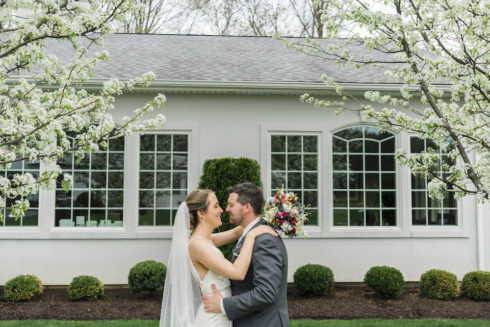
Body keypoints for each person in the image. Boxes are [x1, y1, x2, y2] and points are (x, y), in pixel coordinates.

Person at [159, 189, 277, 327]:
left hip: (221, 313)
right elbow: (237, 272)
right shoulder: (196, 245)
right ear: (201, 213)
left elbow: (236, 232)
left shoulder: (206, 240)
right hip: (213, 319)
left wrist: (275, 216)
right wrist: (251, 236)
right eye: (215, 206)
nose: (221, 210)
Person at [202, 182, 290, 327]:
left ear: (247, 207)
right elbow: (200, 241)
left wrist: (223, 304)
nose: (226, 209)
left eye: (231, 205)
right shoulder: (248, 233)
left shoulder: (265, 240)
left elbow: (266, 293)